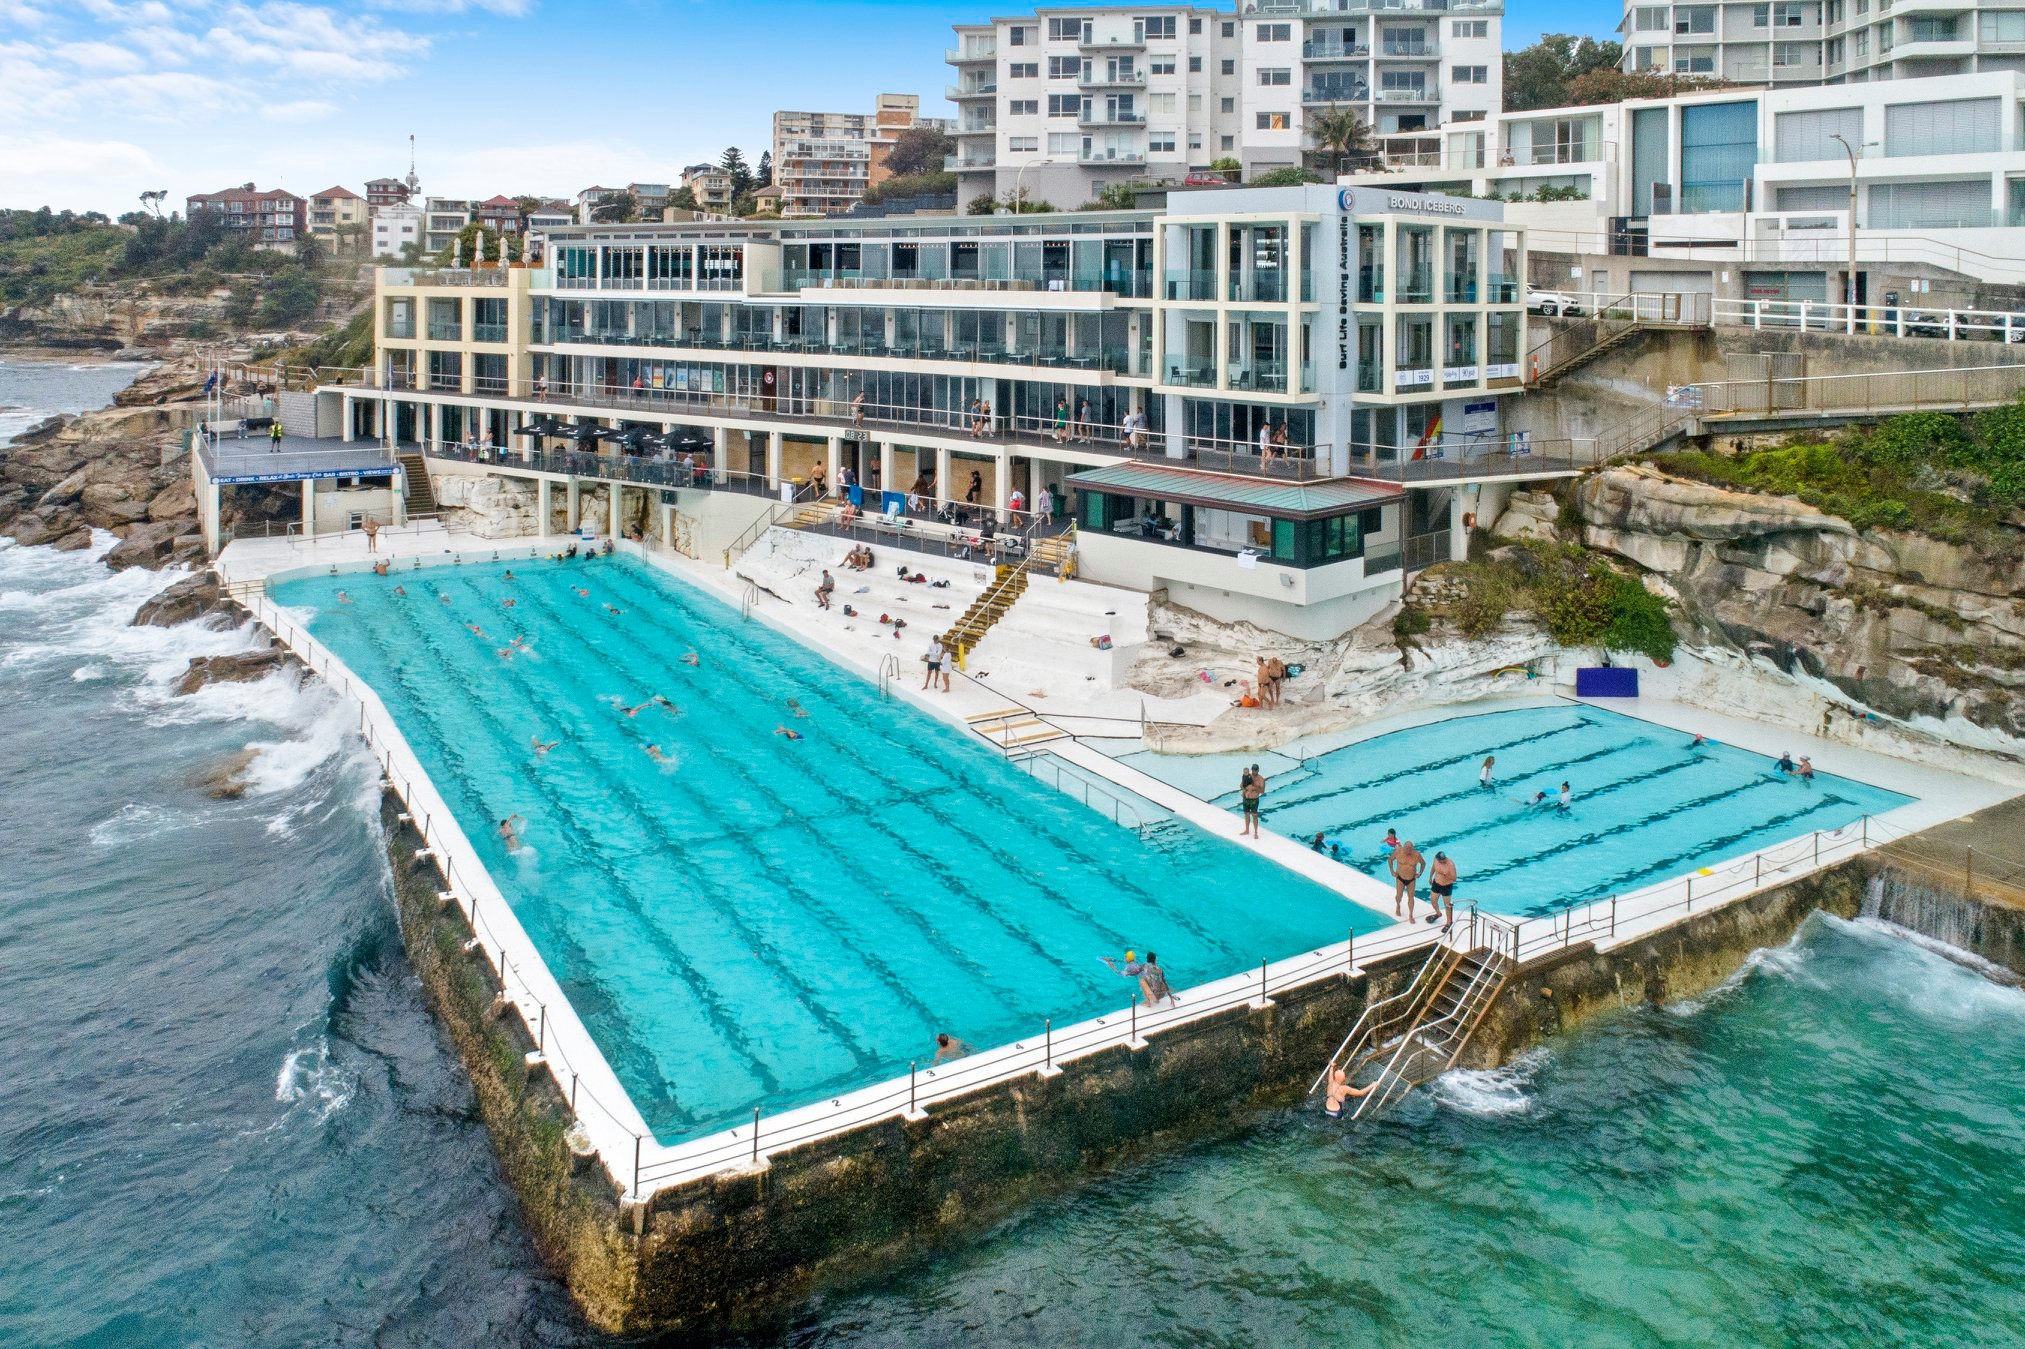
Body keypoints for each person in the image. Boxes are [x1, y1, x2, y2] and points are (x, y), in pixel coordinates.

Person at [1389, 839, 1425, 922]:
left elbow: (1423, 863)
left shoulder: (1417, 855)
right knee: (1398, 896)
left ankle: (1411, 915)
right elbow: (1390, 860)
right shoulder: (1398, 852)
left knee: (1411, 897)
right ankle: (1398, 905)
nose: (1408, 850)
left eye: (1410, 849)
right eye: (1407, 848)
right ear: (1404, 847)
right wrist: (1392, 871)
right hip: (1400, 878)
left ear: (1412, 848)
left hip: (1411, 879)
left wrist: (1420, 873)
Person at [1429, 851, 1457, 932]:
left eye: (1443, 859)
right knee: (1433, 901)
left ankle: (1449, 923)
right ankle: (1438, 913)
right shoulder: (1436, 860)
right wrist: (1430, 877)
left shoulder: (1450, 864)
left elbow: (1454, 878)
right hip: (1436, 884)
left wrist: (1445, 874)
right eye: (1441, 860)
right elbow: (1433, 868)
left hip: (1446, 886)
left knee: (1447, 906)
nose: (1442, 861)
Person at [1240, 763, 1265, 838]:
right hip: (1246, 799)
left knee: (1254, 816)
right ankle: (1247, 830)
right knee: (1246, 814)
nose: (1254, 772)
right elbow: (1241, 785)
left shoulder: (1261, 779)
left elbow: (1262, 791)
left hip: (1254, 800)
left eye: (1255, 770)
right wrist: (1245, 791)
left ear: (1258, 770)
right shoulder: (1248, 776)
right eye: (1253, 770)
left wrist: (1254, 788)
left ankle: (1256, 832)